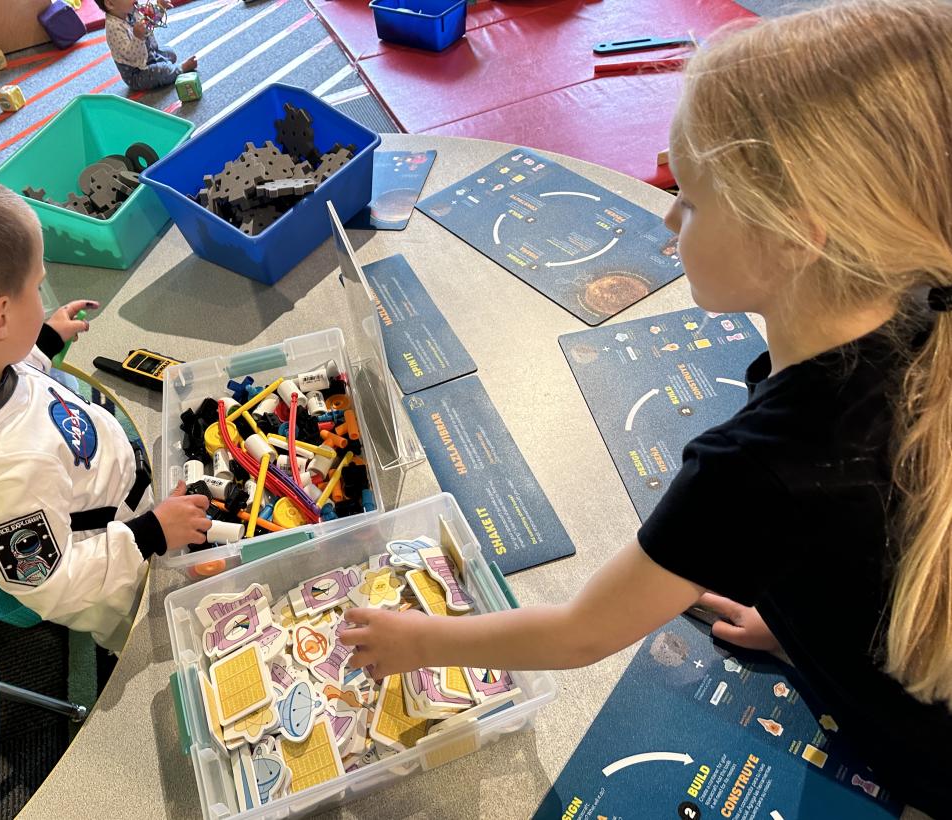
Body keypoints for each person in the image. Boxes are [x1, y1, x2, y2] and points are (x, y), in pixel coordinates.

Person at [338, 1, 952, 812]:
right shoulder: (924, 314)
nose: (666, 218)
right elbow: (879, 545)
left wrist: (419, 639)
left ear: (792, 239)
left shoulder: (757, 468)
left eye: (690, 201)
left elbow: (578, 633)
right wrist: (811, 628)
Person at [0, 173, 211, 651]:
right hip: (123, 570)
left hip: (123, 502)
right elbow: (50, 583)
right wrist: (150, 533)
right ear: (1, 318)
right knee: (177, 630)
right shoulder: (11, 468)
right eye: (36, 286)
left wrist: (41, 341)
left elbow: (8, 375)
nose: (42, 295)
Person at [98, 0, 197, 93]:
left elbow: (149, 22)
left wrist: (160, 8)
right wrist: (138, 38)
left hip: (150, 54)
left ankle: (163, 65)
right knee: (161, 72)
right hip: (137, 72)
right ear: (110, 4)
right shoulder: (114, 28)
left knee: (171, 53)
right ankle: (180, 69)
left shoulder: (130, 10)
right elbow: (131, 56)